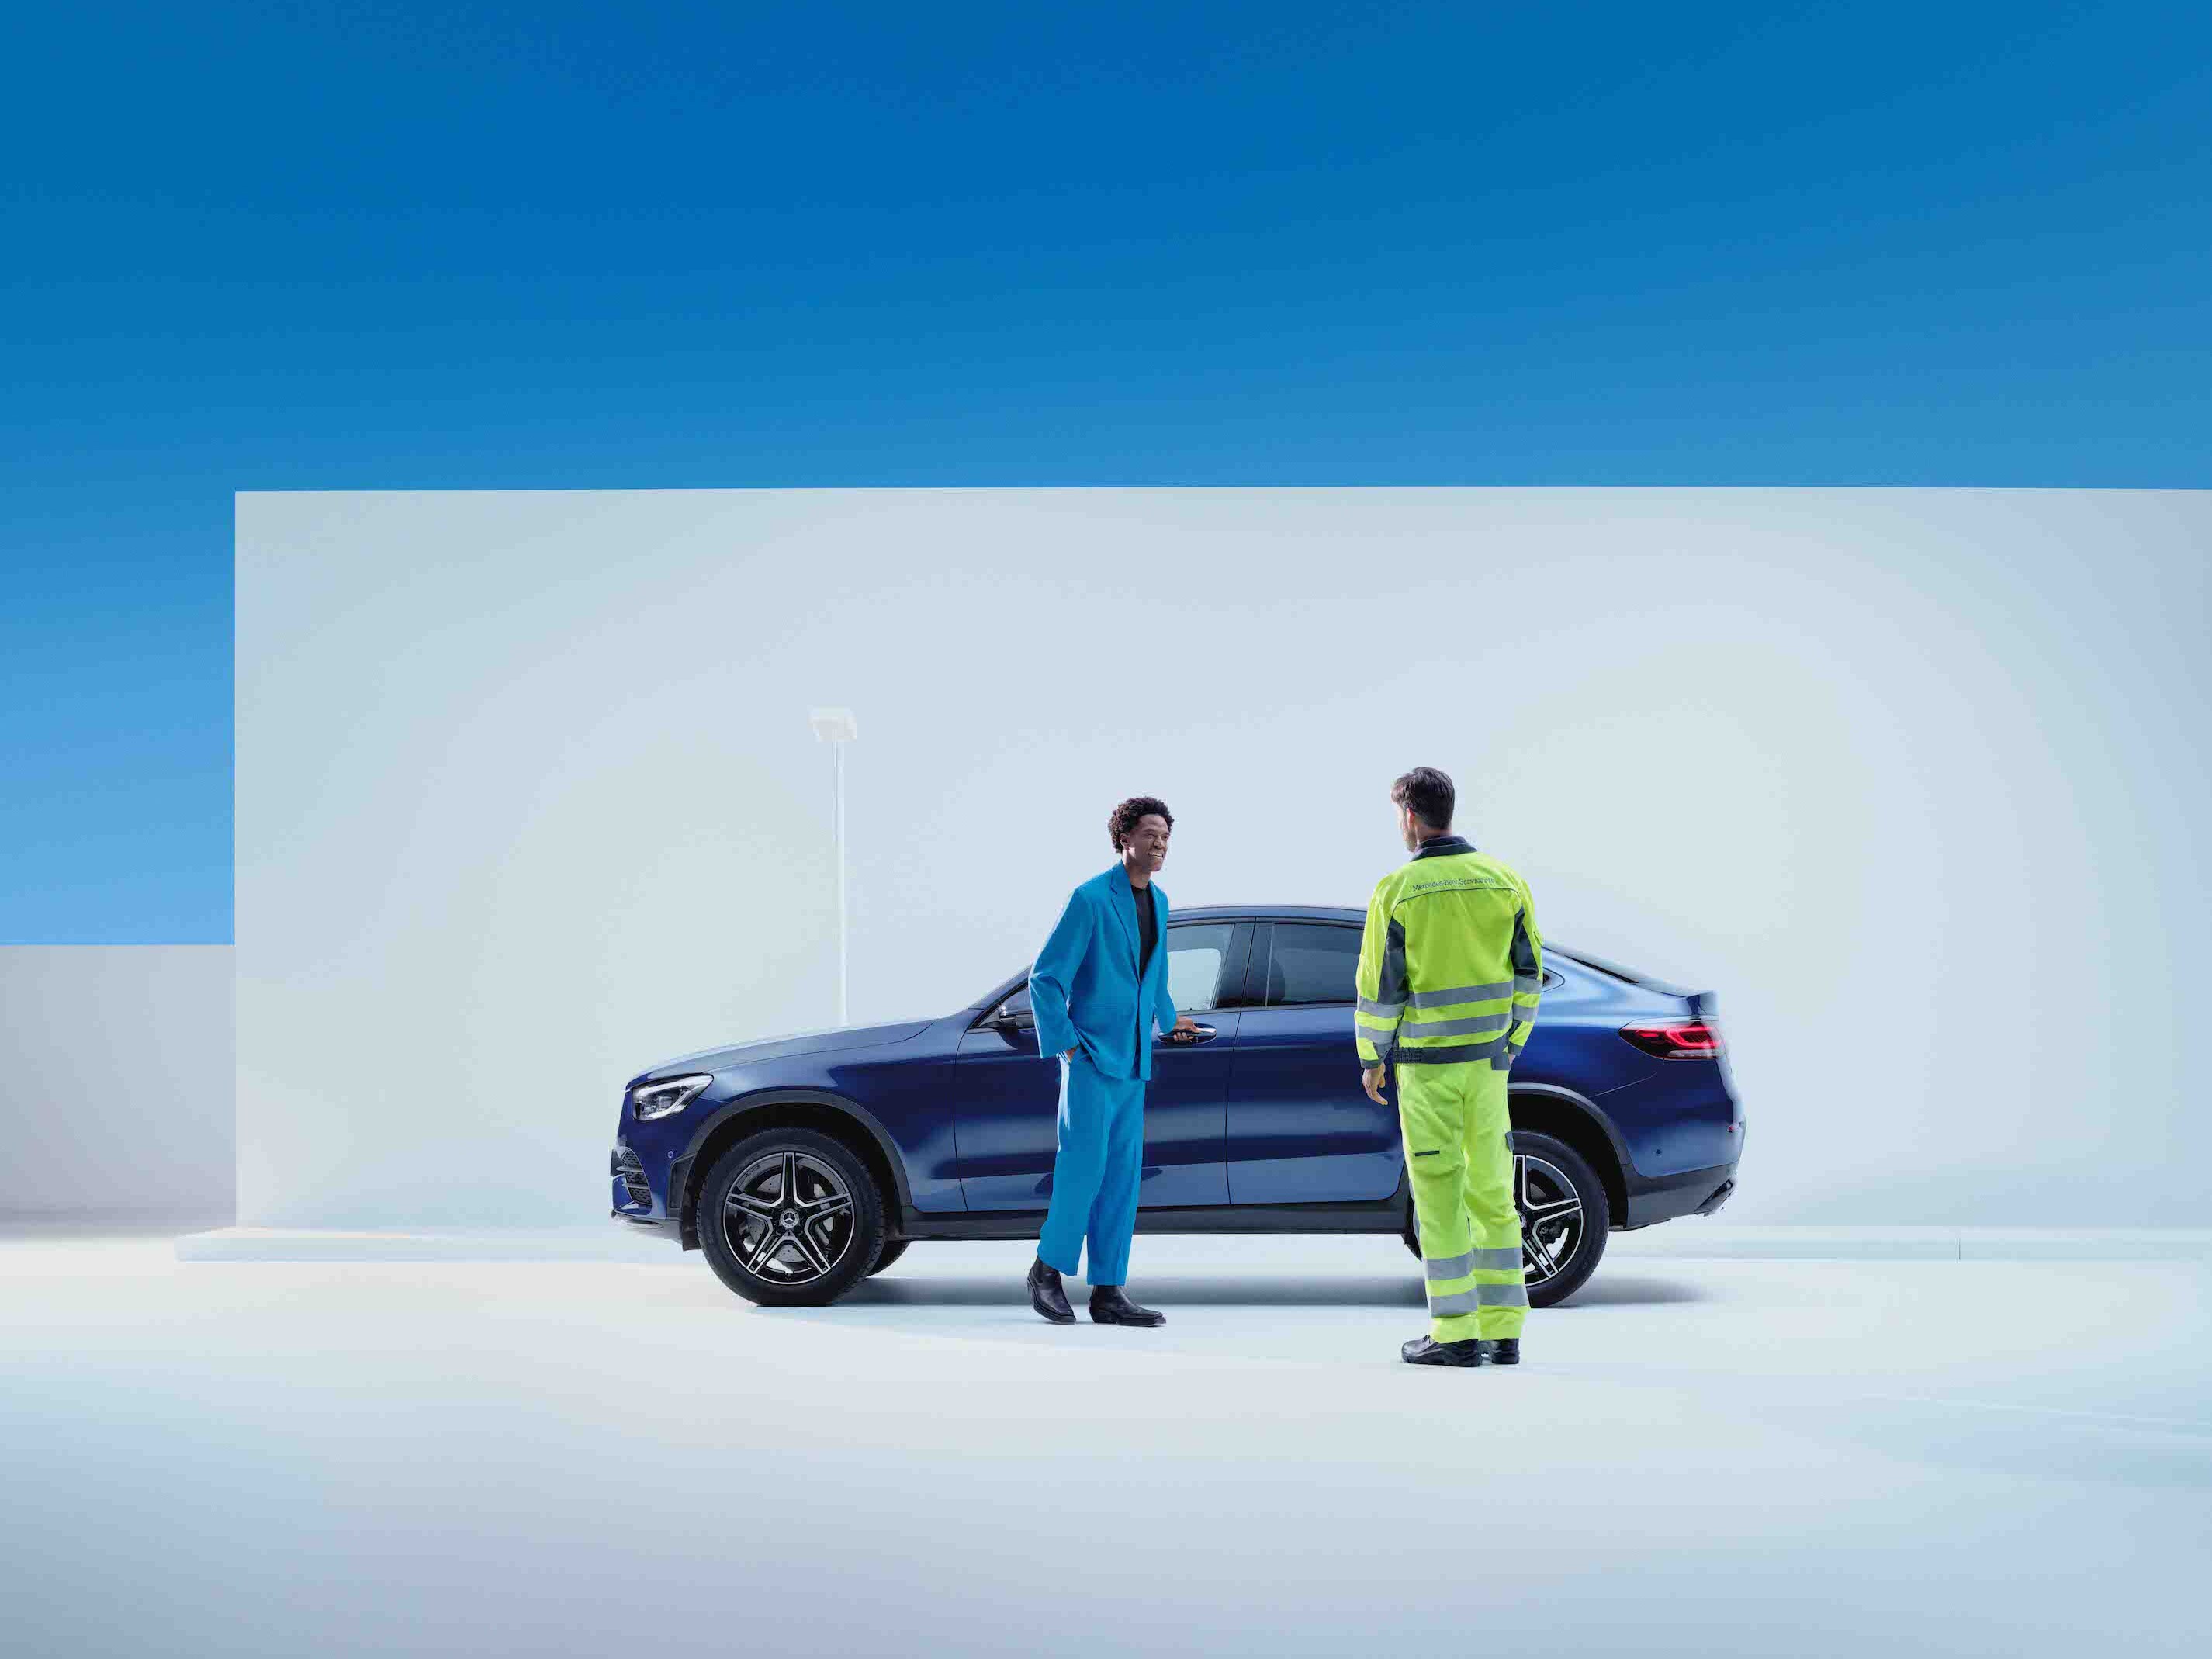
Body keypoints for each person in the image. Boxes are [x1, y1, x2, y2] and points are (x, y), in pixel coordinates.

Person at [1355, 767, 1542, 1368]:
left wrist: (1371, 1058)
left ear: (1409, 815)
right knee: (1493, 1193)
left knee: (1439, 1196)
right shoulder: (1503, 881)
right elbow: (1528, 975)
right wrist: (1508, 1046)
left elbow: (1380, 989)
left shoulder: (1397, 891)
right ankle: (1504, 1331)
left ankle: (1455, 1334)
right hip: (1486, 1068)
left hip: (1428, 1071)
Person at [1023, 796, 1199, 1326]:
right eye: (1149, 833)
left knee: (1121, 1178)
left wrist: (1168, 1020)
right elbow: (1046, 978)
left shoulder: (1161, 901)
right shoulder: (1090, 899)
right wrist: (1069, 1045)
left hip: (1135, 1062)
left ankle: (1107, 1291)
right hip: (1093, 1060)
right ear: (1124, 837)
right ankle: (1046, 1272)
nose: (1159, 843)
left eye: (1165, 835)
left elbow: (1155, 975)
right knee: (1082, 1169)